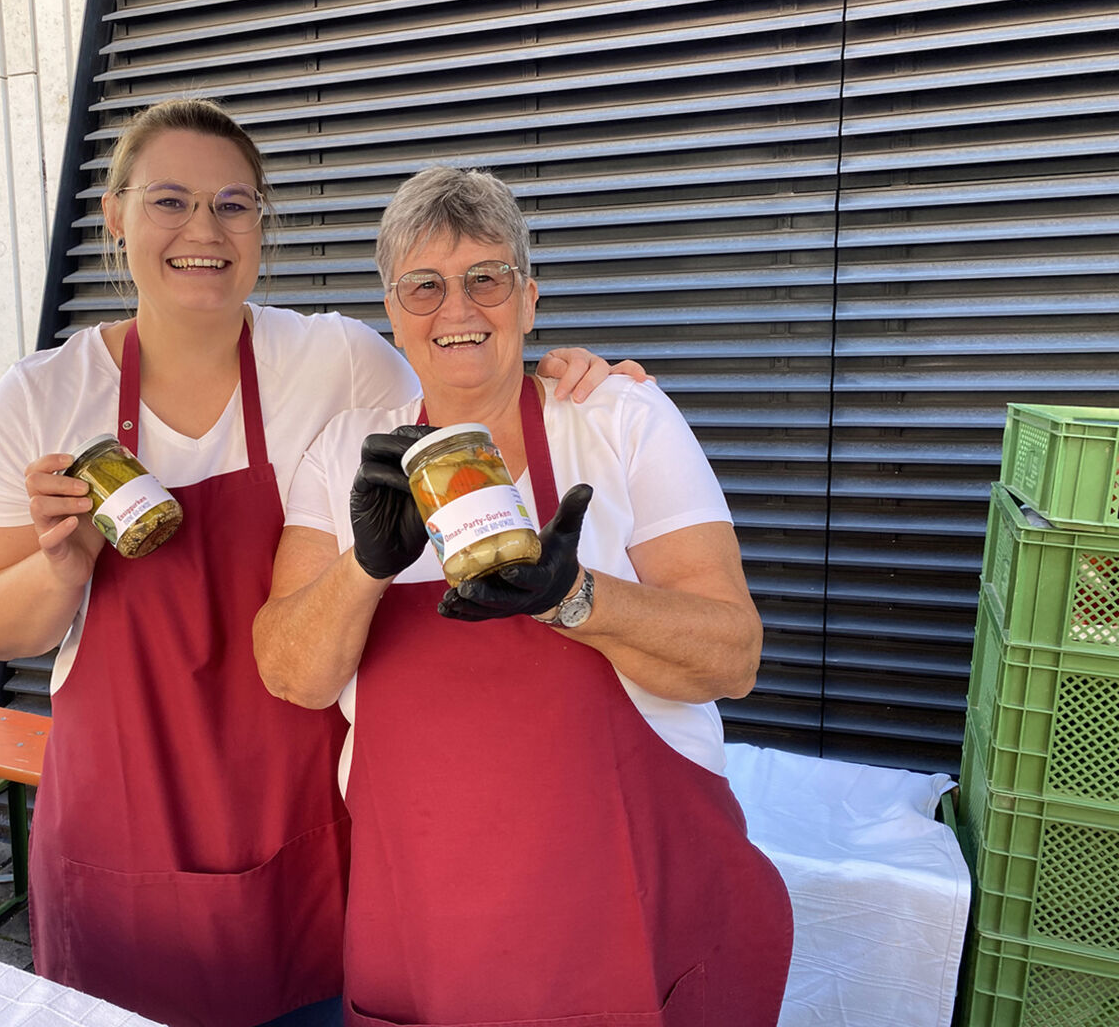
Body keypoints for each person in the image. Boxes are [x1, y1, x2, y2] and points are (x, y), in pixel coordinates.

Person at [0, 100, 642, 1027]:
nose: (204, 231)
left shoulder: (336, 360)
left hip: (303, 818)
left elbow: (464, 379)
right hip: (121, 819)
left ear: (262, 224)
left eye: (234, 205)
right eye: (170, 201)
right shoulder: (39, 397)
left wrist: (571, 381)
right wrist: (61, 566)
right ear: (114, 215)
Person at [254, 166, 794, 1027]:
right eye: (423, 286)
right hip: (426, 923)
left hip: (630, 910)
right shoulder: (346, 461)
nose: (458, 311)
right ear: (391, 312)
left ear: (530, 299)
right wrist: (365, 565)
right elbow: (292, 674)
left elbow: (734, 656)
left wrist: (575, 597)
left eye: (486, 279)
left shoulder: (620, 421)